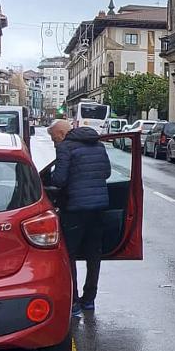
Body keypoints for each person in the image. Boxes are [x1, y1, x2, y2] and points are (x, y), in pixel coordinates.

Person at [48, 119, 111, 316]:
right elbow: (107, 172)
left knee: (69, 255)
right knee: (94, 255)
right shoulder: (99, 144)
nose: (53, 142)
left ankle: (73, 302)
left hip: (74, 209)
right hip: (99, 208)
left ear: (60, 133)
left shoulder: (65, 147)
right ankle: (89, 299)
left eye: (53, 138)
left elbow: (59, 180)